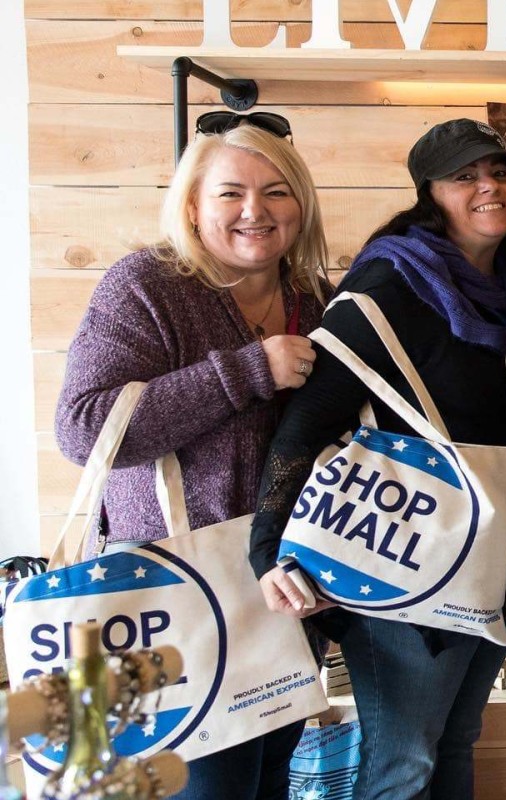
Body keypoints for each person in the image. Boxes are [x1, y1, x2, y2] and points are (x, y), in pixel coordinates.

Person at [249, 118, 506, 800]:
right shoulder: (391, 286)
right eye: (465, 176)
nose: (488, 187)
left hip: (485, 558)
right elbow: (308, 420)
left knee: (457, 746)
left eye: (499, 173)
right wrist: (269, 548)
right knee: (403, 762)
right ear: (429, 193)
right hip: (400, 568)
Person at [55, 113, 330, 800]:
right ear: (192, 204)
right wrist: (243, 372)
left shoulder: (310, 298)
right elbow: (85, 429)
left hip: (282, 596)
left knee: (267, 782)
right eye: (231, 192)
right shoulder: (147, 286)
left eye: (277, 191)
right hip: (173, 600)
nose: (255, 211)